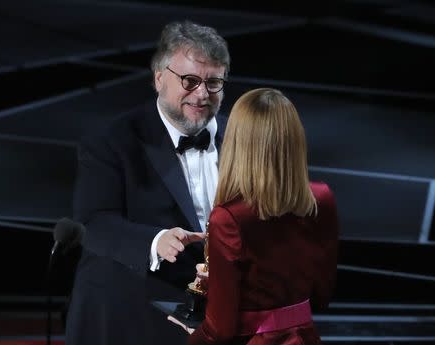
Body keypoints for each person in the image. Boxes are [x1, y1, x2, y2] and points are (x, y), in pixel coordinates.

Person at [65, 20, 230, 345]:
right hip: (131, 318)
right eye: (190, 80)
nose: (202, 94)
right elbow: (93, 223)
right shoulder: (110, 140)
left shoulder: (242, 136)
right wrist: (155, 242)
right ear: (159, 78)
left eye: (214, 83)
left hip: (220, 319)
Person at [168, 88, 339, 345]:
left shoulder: (229, 218)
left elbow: (220, 330)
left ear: (238, 142)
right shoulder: (322, 198)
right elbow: (322, 295)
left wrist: (195, 336)